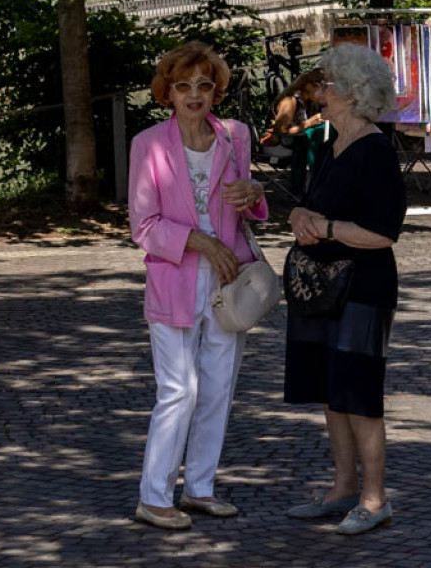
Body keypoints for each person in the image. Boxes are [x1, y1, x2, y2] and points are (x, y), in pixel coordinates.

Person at [130, 42, 269, 530]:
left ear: (217, 91)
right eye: (183, 86)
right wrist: (201, 243)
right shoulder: (148, 143)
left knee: (217, 387)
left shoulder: (235, 137)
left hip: (229, 281)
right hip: (174, 278)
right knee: (178, 390)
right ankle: (154, 495)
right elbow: (142, 226)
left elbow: (247, 208)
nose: (194, 95)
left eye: (204, 86)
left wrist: (254, 195)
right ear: (166, 92)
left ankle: (201, 488)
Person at [283, 43, 407, 535]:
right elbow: (313, 207)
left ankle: (375, 498)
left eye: (328, 85)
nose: (319, 92)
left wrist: (327, 228)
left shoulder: (374, 151)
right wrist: (298, 215)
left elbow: (382, 232)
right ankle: (342, 489)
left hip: (362, 286)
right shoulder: (332, 144)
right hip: (323, 287)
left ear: (353, 95)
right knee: (332, 392)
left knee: (358, 393)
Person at [267, 69, 327, 195]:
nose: (323, 94)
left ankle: (313, 183)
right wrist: (308, 123)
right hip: (273, 142)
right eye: (321, 89)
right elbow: (280, 131)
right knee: (307, 142)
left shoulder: (307, 102)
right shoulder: (290, 101)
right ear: (309, 86)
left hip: (291, 141)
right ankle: (302, 187)